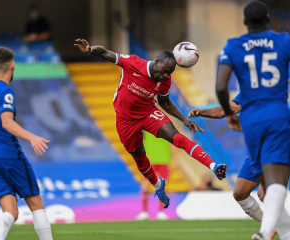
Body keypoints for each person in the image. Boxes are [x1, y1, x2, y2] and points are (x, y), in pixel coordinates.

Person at [74, 39, 227, 209]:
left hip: (148, 114)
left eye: (168, 73)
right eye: (164, 71)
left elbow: (165, 102)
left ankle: (214, 166)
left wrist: (184, 119)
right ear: (157, 61)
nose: (164, 76)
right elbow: (104, 52)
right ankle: (157, 185)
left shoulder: (165, 81)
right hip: (125, 120)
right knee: (139, 158)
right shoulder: (133, 63)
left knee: (178, 138)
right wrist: (89, 50)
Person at [215, 1, 290, 239]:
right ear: (268, 18)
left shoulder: (233, 46)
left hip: (251, 121)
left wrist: (229, 114)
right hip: (278, 117)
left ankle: (285, 236)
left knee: (265, 187)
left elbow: (221, 87)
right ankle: (263, 233)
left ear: (244, 22)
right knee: (275, 184)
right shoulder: (283, 40)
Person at [0, 47, 53, 240]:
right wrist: (32, 137)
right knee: (36, 204)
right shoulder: (6, 92)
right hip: (9, 157)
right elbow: (7, 122)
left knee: (11, 212)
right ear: (13, 66)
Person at [188, 93, 290, 239]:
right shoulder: (247, 90)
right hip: (258, 151)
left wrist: (242, 107)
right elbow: (225, 110)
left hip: (278, 145)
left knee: (263, 193)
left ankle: (268, 232)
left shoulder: (271, 88)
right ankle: (276, 229)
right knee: (240, 193)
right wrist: (202, 112)